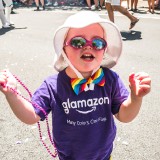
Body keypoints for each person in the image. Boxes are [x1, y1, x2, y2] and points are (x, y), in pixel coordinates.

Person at [0, 11, 151, 160]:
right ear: (63, 49)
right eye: (78, 42)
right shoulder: (53, 85)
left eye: (98, 42)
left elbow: (124, 115)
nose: (88, 47)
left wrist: (136, 98)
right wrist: (12, 94)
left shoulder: (110, 79)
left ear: (104, 50)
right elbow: (31, 116)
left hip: (104, 156)